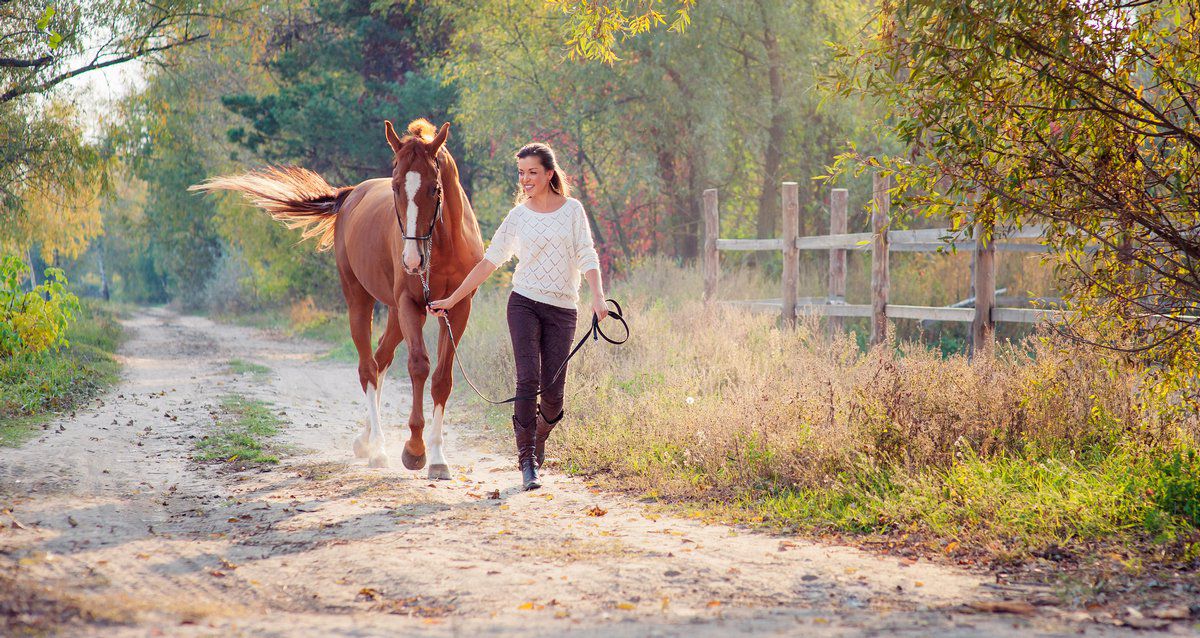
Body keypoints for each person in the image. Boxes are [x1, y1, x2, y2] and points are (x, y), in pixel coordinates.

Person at [427, 142, 607, 491]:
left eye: (532, 172)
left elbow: (587, 254)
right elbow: (489, 262)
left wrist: (598, 296)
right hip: (524, 303)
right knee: (527, 381)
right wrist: (451, 299)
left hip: (563, 309)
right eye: (521, 172)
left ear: (549, 174)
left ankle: (538, 435)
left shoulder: (572, 211)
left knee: (553, 397)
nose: (525, 179)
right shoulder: (519, 216)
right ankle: (527, 461)